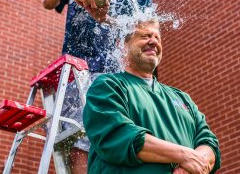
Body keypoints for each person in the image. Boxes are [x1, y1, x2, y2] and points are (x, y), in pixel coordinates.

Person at [41, 0, 150, 173]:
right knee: (78, 137)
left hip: (115, 74)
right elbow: (48, 1)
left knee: (116, 139)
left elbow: (141, 30)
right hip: (77, 72)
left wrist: (107, 21)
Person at [83, 20, 221, 173]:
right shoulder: (108, 85)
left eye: (157, 38)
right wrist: (184, 156)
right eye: (145, 36)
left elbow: (208, 143)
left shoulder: (182, 98)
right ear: (123, 45)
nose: (154, 42)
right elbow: (118, 135)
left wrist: (189, 168)